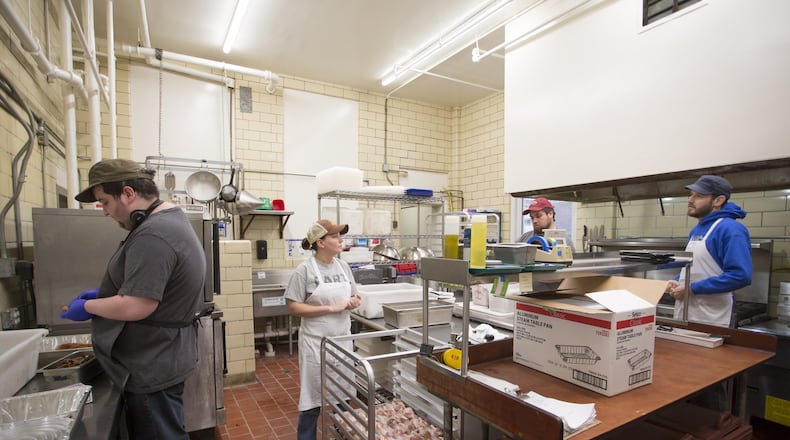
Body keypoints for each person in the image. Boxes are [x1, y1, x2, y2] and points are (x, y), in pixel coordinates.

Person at [60, 159, 205, 440]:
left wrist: (88, 307)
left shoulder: (154, 233)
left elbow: (139, 305)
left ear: (128, 193)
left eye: (104, 202)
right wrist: (107, 297)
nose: (104, 212)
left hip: (152, 364)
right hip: (161, 356)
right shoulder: (166, 222)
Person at [285, 219, 362, 440]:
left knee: (345, 394)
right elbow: (292, 306)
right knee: (312, 399)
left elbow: (355, 294)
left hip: (342, 342)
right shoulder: (304, 271)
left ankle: (346, 434)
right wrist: (329, 307)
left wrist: (355, 301)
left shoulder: (343, 266)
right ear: (320, 242)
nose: (341, 240)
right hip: (316, 345)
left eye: (341, 236)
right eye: (335, 237)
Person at [666, 175, 752, 327]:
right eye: (691, 195)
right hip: (686, 314)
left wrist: (692, 288)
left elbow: (740, 276)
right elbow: (696, 266)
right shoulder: (696, 230)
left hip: (713, 318)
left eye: (699, 196)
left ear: (718, 201)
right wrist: (679, 281)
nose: (690, 200)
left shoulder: (730, 229)